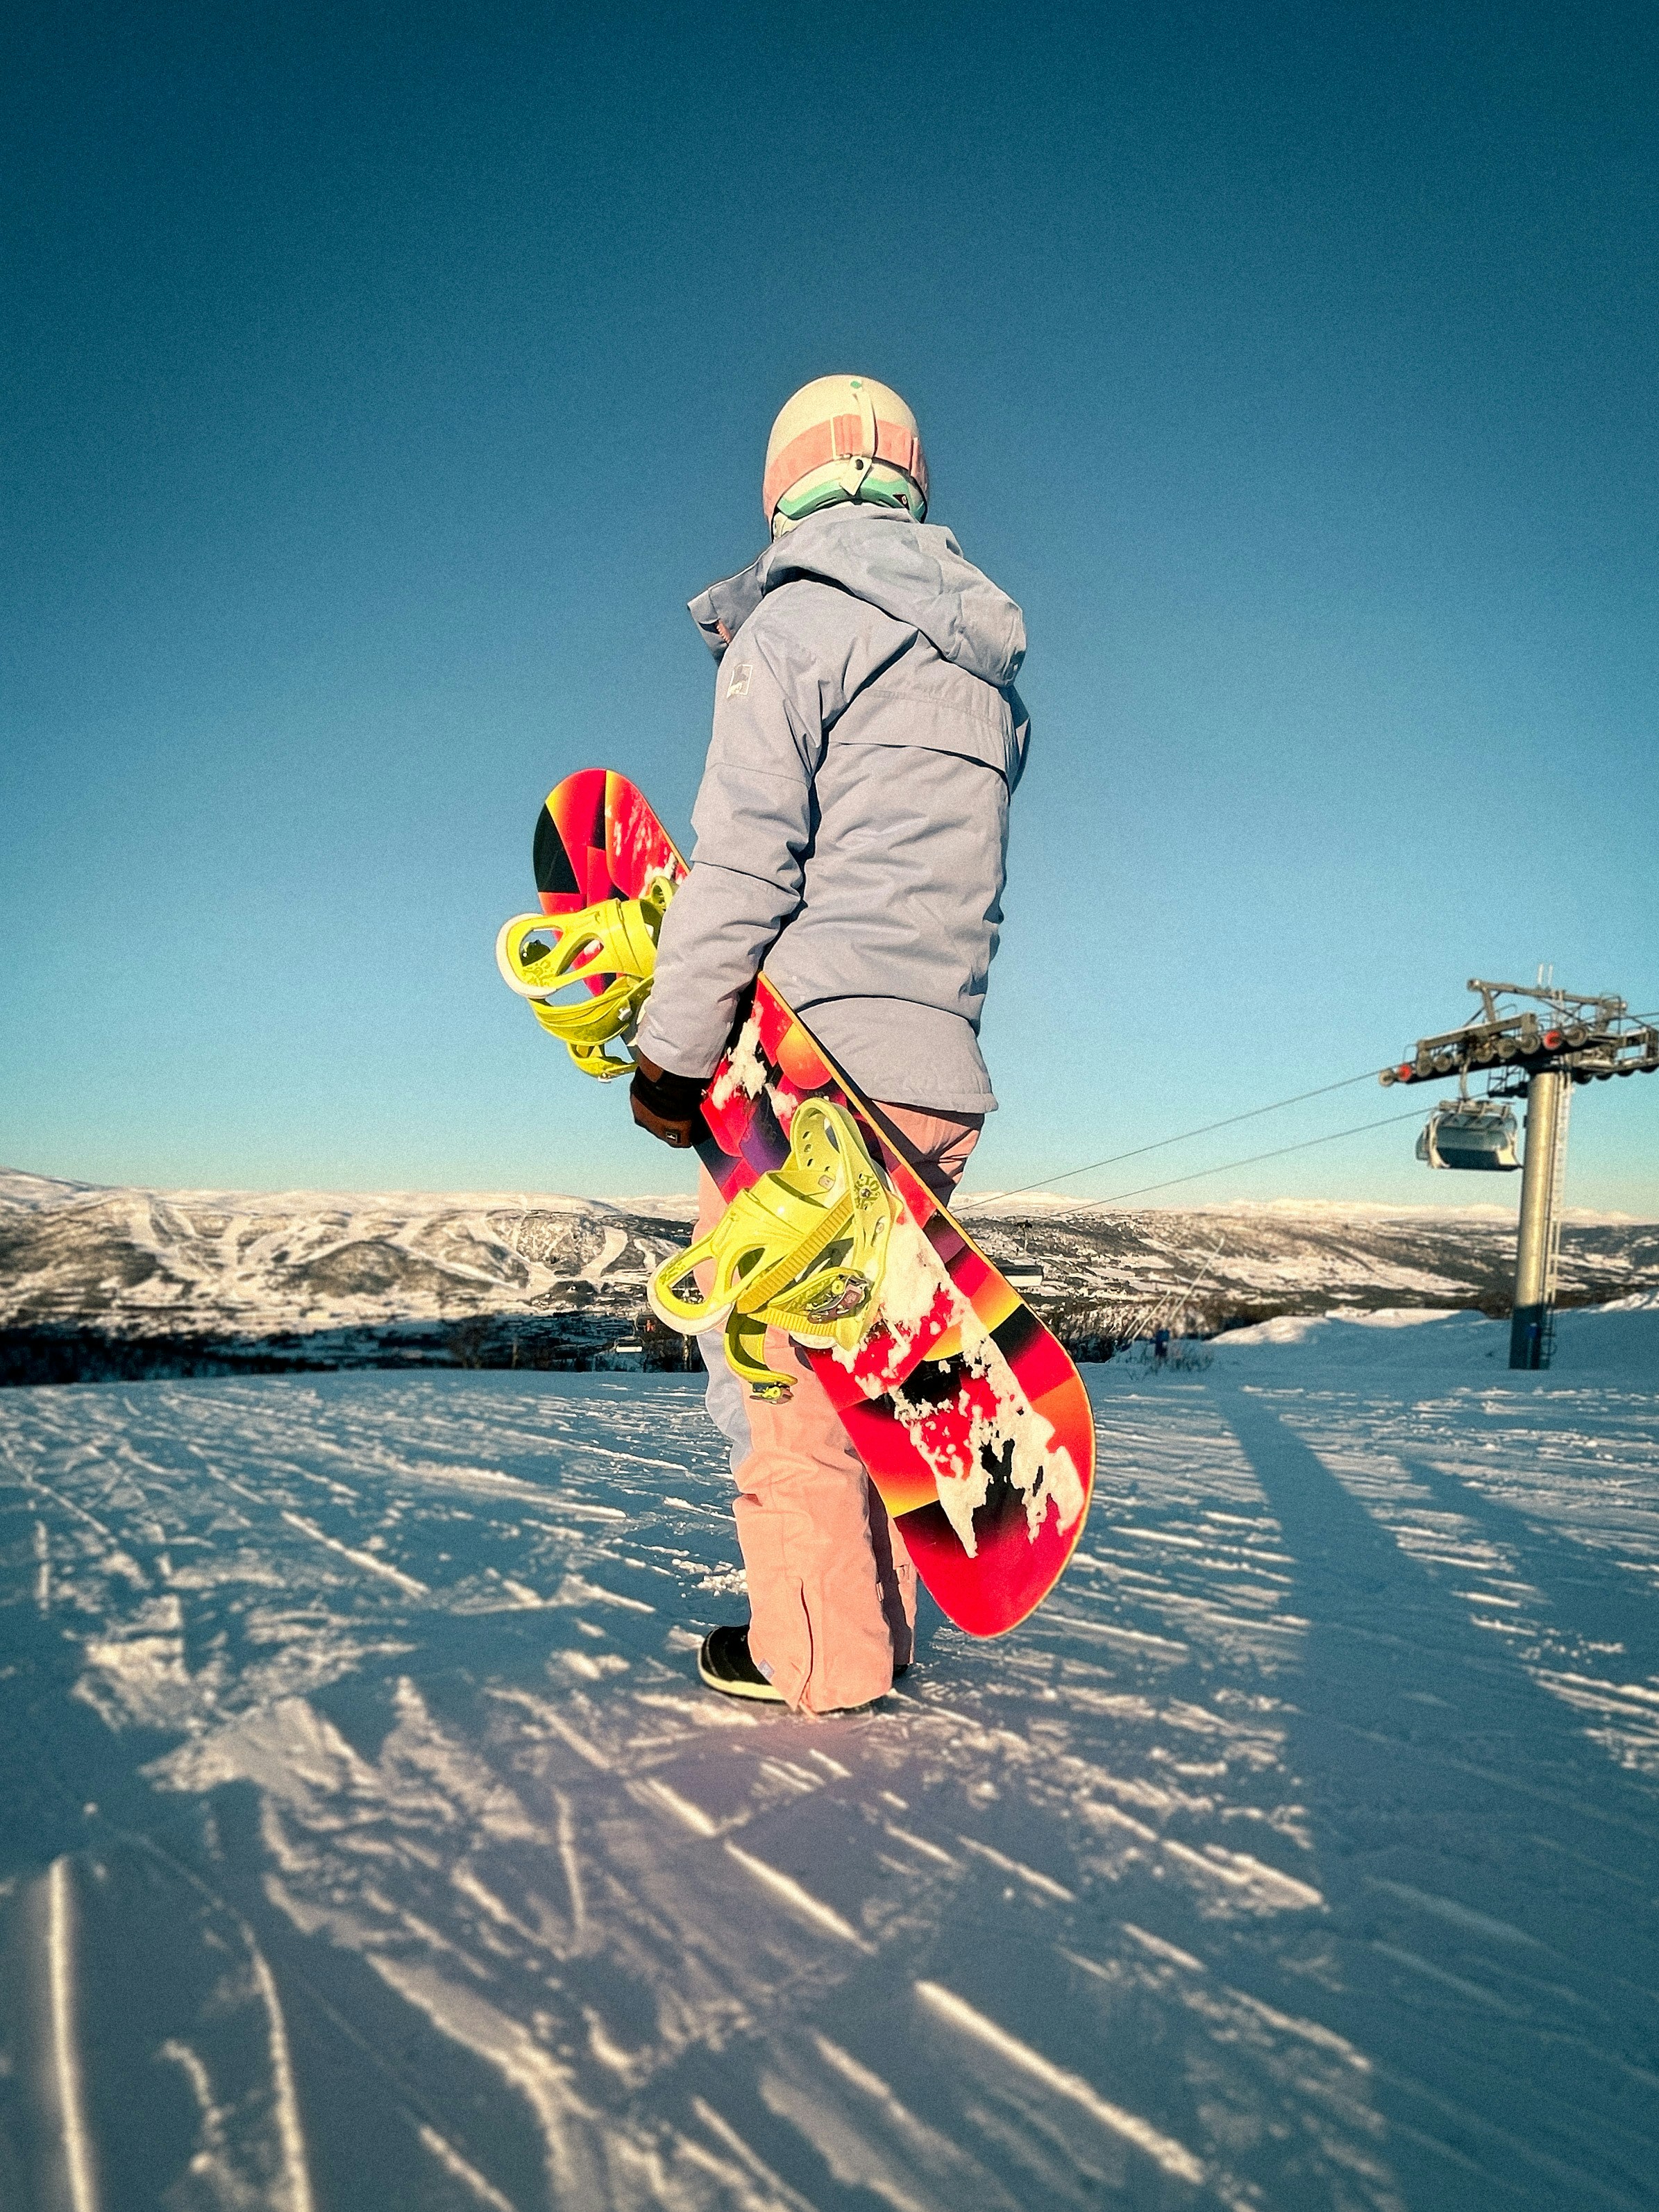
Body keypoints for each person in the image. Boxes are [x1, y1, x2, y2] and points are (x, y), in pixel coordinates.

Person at [628, 374, 1029, 1714]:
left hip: (811, 1067)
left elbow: (742, 866)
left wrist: (672, 1051)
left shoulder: (795, 627)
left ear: (781, 483)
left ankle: (817, 1659)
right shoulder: (985, 678)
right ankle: (874, 1635)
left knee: (776, 1375)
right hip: (939, 1073)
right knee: (876, 1379)